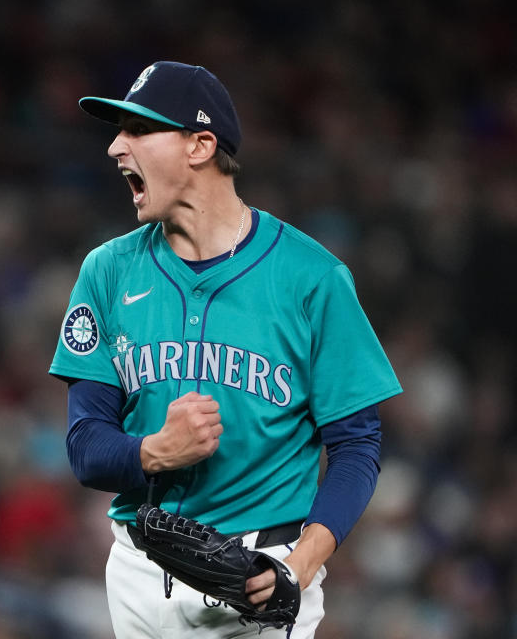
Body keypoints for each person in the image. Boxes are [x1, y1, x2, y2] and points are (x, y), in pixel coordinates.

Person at [48, 61, 402, 638]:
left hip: (255, 580)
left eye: (138, 130)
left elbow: (357, 447)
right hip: (136, 573)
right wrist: (156, 451)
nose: (115, 147)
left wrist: (299, 565)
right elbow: (87, 449)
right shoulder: (106, 271)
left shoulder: (311, 278)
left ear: (200, 145)